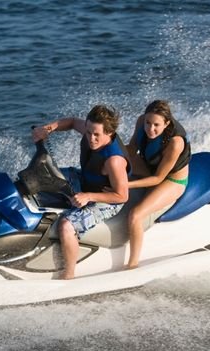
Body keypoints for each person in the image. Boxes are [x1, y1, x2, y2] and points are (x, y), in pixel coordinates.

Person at [32, 105, 129, 279]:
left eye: (96, 135)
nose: (91, 138)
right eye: (89, 132)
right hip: (86, 180)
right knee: (43, 175)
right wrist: (47, 129)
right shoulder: (89, 128)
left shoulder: (114, 161)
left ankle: (69, 275)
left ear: (109, 132)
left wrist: (88, 196)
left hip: (107, 200)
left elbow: (122, 195)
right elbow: (70, 122)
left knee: (66, 226)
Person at [126, 100, 191, 269]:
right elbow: (132, 150)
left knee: (135, 215)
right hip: (150, 167)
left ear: (167, 123)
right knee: (115, 161)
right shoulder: (141, 121)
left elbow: (158, 179)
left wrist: (125, 185)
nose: (150, 128)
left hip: (171, 180)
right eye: (148, 123)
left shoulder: (175, 143)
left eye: (156, 125)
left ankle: (132, 265)